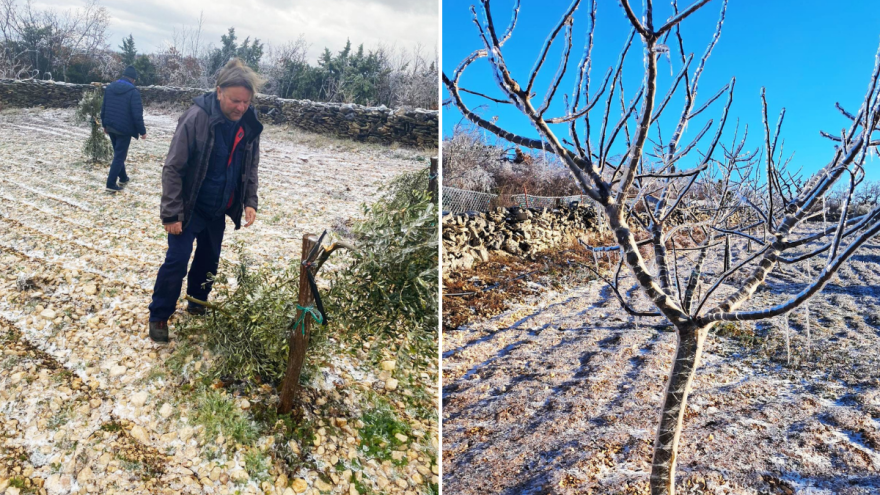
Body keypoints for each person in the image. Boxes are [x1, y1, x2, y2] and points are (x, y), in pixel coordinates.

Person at [148, 58, 263, 343]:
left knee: (209, 259)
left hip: (219, 207)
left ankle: (198, 303)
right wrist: (172, 213)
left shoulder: (248, 124)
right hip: (190, 207)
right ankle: (159, 315)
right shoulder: (196, 118)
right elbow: (174, 167)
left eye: (246, 103)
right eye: (236, 100)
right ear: (219, 91)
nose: (240, 107)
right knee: (176, 260)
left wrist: (249, 200)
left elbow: (250, 165)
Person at [100, 65, 147, 192]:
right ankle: (110, 184)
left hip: (111, 126)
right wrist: (142, 131)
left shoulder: (109, 88)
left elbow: (103, 107)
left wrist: (104, 124)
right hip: (124, 129)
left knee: (118, 154)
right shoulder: (133, 92)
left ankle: (123, 177)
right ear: (133, 79)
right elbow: (137, 114)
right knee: (120, 156)